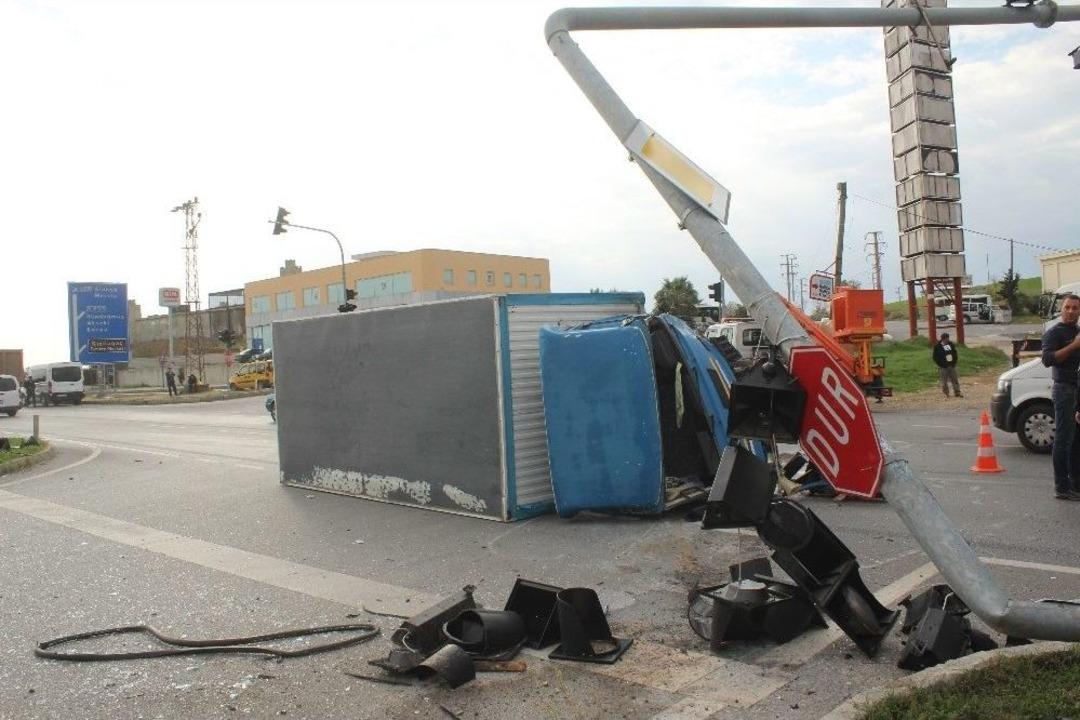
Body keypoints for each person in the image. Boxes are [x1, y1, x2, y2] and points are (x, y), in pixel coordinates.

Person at [1042, 293, 1080, 501]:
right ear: (1061, 309)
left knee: (1076, 441)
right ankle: (1062, 487)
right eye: (1067, 307)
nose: (1071, 311)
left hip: (1077, 389)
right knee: (1064, 440)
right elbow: (1047, 360)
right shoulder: (1055, 333)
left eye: (1075, 308)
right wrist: (1073, 346)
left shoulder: (1077, 331)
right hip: (1064, 389)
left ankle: (1075, 484)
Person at [931, 332, 962, 398]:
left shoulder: (951, 344)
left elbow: (954, 353)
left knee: (955, 380)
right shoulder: (937, 347)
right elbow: (935, 357)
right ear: (943, 339)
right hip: (943, 367)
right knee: (944, 381)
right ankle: (946, 393)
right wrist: (940, 364)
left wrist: (954, 362)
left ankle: (957, 392)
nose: (947, 340)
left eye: (948, 338)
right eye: (946, 339)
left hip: (951, 365)